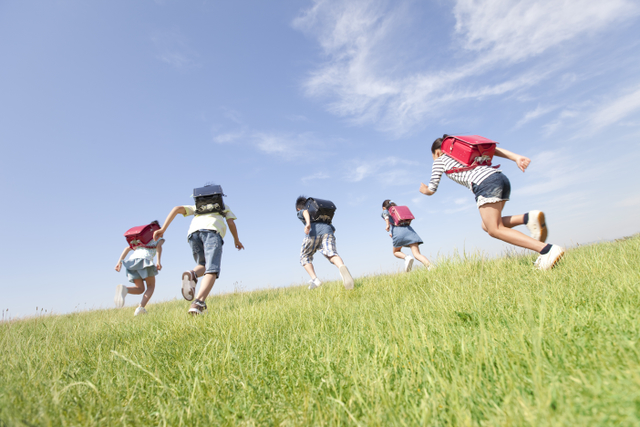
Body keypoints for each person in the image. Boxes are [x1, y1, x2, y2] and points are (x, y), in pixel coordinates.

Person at [419, 137, 564, 270]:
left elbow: (432, 189)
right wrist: (516, 158)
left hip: (485, 184)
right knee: (488, 225)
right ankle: (528, 218)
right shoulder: (463, 152)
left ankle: (546, 250)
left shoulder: (440, 160)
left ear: (437, 152)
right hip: (500, 178)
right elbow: (492, 149)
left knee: (494, 229)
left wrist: (424, 190)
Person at [153, 185, 245, 315]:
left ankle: (192, 274)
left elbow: (176, 209)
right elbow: (231, 223)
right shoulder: (223, 207)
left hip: (193, 234)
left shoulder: (198, 208)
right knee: (212, 270)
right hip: (212, 233)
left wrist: (163, 229)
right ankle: (199, 303)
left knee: (202, 265)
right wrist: (236, 240)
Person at [296, 196, 354, 290]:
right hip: (327, 231)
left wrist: (308, 224)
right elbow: (333, 229)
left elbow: (304, 212)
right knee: (332, 254)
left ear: (298, 208)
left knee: (304, 257)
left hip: (313, 233)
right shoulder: (320, 216)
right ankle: (341, 267)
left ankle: (315, 280)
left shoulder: (302, 210)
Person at [114, 221, 164, 316]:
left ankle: (125, 289)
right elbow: (159, 247)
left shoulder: (140, 241)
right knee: (151, 286)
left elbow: (127, 248)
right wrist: (158, 261)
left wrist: (119, 263)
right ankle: (141, 308)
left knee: (140, 288)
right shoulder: (158, 238)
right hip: (144, 261)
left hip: (131, 262)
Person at [381, 200, 432, 272]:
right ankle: (430, 267)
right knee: (417, 254)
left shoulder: (386, 211)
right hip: (409, 231)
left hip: (398, 233)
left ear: (383, 208)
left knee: (396, 252)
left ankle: (406, 257)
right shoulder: (399, 211)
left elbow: (385, 214)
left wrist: (387, 225)